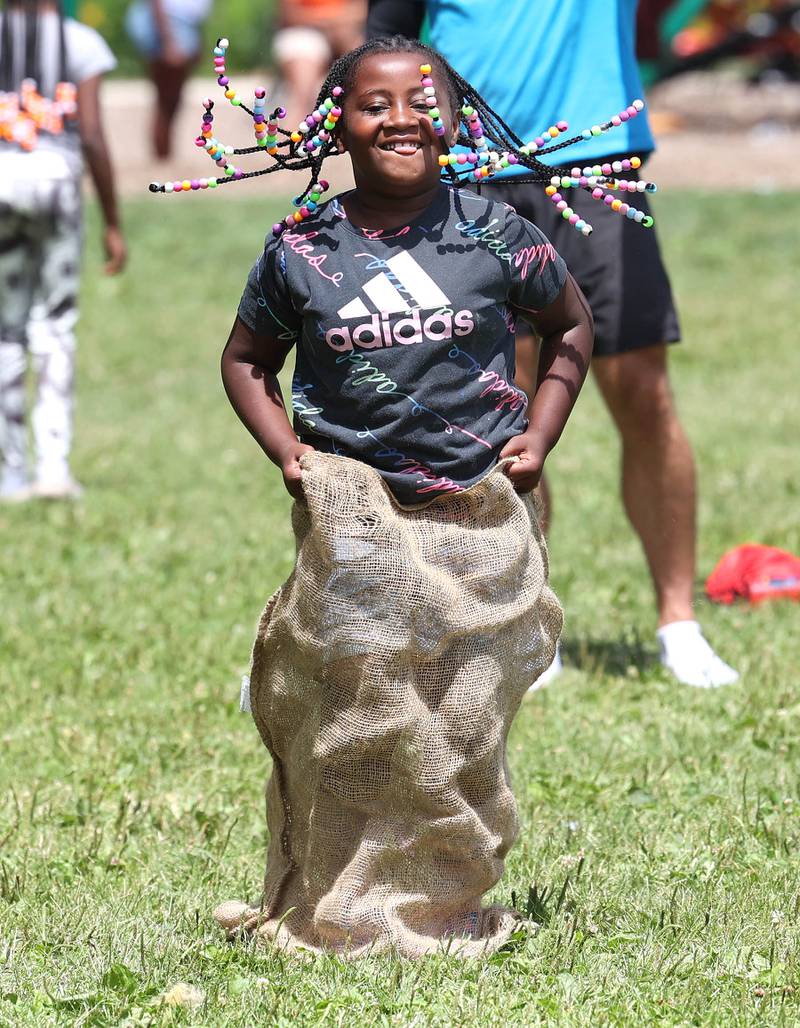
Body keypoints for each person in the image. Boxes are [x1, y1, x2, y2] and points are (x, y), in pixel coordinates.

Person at [164, 33, 593, 953]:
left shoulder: (495, 233)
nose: (401, 119)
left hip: (471, 519)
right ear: (339, 123)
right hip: (354, 521)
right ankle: (338, 896)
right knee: (358, 712)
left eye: (420, 101)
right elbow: (245, 362)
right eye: (374, 104)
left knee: (459, 717)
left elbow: (570, 328)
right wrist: (289, 453)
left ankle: (441, 890)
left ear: (451, 118)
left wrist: (541, 432)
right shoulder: (302, 249)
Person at [366, 0, 739, 689]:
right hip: (468, 169)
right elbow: (387, 29)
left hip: (592, 162)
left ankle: (679, 625)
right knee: (502, 408)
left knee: (644, 393)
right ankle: (526, 623)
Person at [0, 0, 126, 502]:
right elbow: (92, 135)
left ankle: (9, 475)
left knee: (5, 329)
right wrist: (113, 221)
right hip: (55, 182)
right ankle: (52, 469)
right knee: (54, 326)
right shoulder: (80, 41)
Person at [124, 0, 211, 158]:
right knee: (167, 96)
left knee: (171, 97)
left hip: (175, 25)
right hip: (166, 24)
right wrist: (168, 41)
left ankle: (164, 153)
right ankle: (162, 154)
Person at [271, 0, 365, 128]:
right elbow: (290, 15)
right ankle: (287, 142)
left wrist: (342, 24)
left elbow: (362, 8)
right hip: (304, 31)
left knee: (363, 79)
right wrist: (330, 21)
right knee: (304, 96)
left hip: (345, 31)